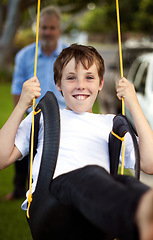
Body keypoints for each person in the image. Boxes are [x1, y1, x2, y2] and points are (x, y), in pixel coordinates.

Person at [0, 44, 153, 240]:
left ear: (100, 83)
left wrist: (133, 103)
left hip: (96, 209)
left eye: (89, 77)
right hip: (51, 202)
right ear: (58, 84)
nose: (81, 85)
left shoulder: (110, 125)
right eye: (71, 77)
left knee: (125, 182)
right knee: (90, 174)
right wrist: (22, 104)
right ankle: (140, 212)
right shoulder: (44, 117)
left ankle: (144, 218)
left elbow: (150, 163)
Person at [4, 5, 67, 200]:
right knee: (21, 151)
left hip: (63, 115)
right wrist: (21, 116)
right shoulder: (24, 55)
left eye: (52, 28)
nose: (47, 32)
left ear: (59, 30)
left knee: (56, 156)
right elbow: (17, 88)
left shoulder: (69, 54)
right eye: (44, 28)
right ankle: (18, 190)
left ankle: (51, 192)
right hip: (34, 114)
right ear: (38, 28)